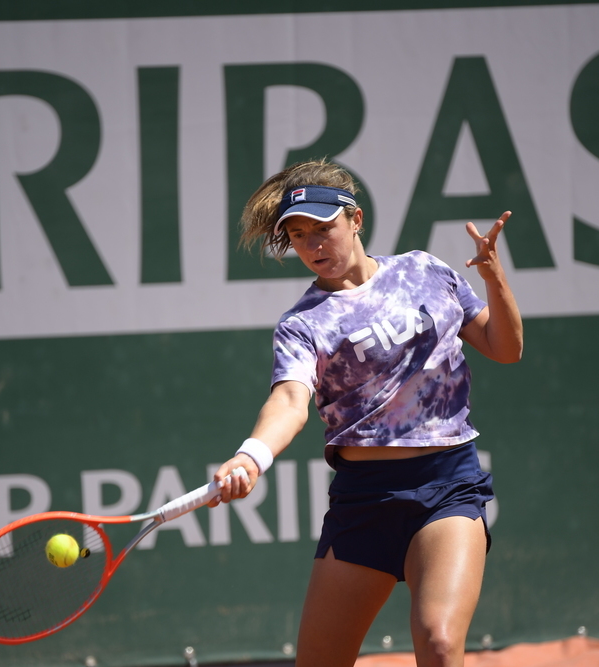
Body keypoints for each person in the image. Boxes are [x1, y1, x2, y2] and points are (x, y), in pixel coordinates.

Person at [210, 159, 523, 667]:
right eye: (299, 236)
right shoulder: (302, 325)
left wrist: (494, 278)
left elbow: (504, 347)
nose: (313, 246)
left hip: (447, 483)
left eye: (323, 229)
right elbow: (290, 401)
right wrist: (252, 456)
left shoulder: (426, 271)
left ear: (355, 220)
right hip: (363, 500)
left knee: (440, 642)